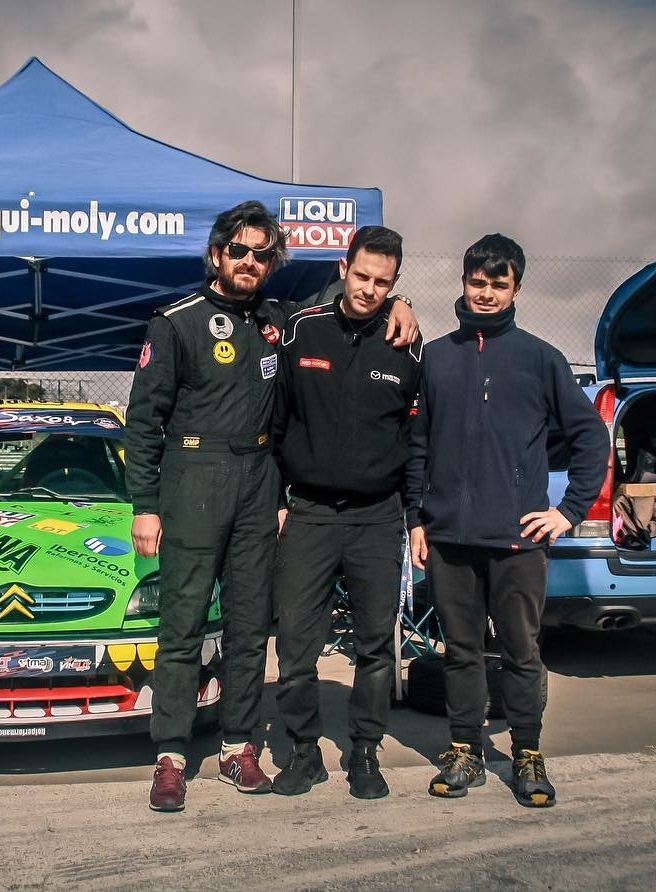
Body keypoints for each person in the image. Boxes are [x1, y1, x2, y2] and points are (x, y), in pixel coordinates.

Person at [125, 201, 418, 812]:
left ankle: (237, 744)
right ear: (217, 254)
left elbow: (350, 304)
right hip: (193, 481)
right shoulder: (175, 323)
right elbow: (144, 420)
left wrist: (398, 304)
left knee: (250, 628)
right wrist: (145, 505)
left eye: (263, 254)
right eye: (241, 251)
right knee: (180, 627)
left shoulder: (281, 321)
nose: (251, 262)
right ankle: (172, 756)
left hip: (259, 484)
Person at [405, 233, 607, 808]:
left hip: (519, 542)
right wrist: (417, 519)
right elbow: (418, 445)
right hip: (448, 539)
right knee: (461, 652)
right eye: (478, 281)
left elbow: (591, 437)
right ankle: (465, 750)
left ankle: (526, 753)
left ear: (516, 287)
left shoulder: (541, 358)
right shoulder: (437, 358)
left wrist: (567, 512)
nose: (487, 292)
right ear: (463, 283)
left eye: (499, 283)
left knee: (521, 651)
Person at [271, 225, 422, 800]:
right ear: (343, 267)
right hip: (307, 513)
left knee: (376, 645)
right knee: (295, 645)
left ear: (395, 284)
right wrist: (278, 502)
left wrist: (415, 517)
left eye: (384, 283)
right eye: (361, 276)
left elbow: (417, 438)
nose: (369, 290)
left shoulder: (409, 344)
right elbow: (275, 421)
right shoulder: (301, 330)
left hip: (377, 518)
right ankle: (304, 753)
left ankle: (364, 752)